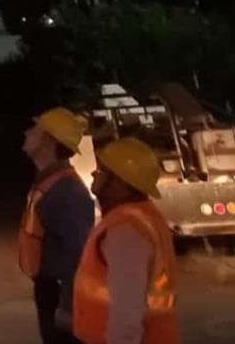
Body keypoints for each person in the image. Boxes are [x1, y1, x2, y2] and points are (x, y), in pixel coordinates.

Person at [73, 137, 179, 344]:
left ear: (120, 182)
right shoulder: (141, 217)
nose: (95, 173)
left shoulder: (126, 230)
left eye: (103, 170)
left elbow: (127, 314)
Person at [20, 107, 97, 344]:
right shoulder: (50, 183)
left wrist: (68, 307)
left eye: (35, 128)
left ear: (49, 139)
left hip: (60, 293)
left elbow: (80, 256)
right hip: (49, 289)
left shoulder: (68, 192)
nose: (27, 132)